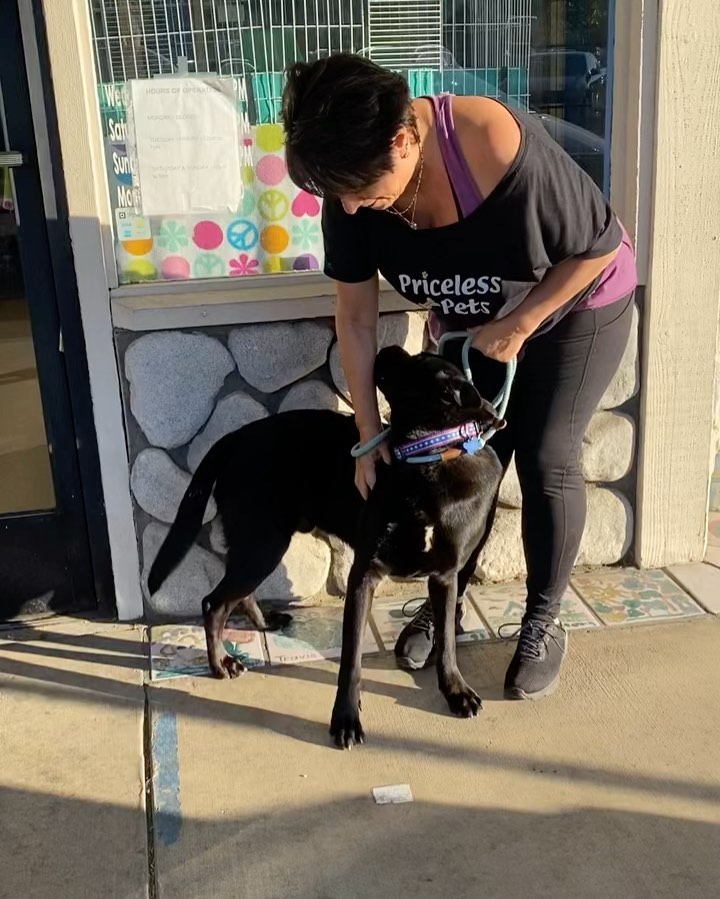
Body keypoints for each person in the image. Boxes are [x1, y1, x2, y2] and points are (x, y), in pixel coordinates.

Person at [281, 54, 636, 700]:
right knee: (461, 461)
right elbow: (356, 321)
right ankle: (445, 600)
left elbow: (602, 244)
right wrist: (367, 432)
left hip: (580, 300)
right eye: (340, 195)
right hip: (478, 323)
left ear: (403, 139)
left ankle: (543, 618)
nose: (354, 208)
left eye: (362, 187)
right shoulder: (351, 195)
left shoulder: (490, 144)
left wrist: (524, 323)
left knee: (545, 451)